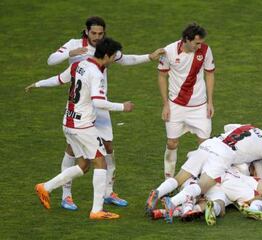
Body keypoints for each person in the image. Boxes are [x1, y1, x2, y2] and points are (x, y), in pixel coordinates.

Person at [29, 16, 164, 210]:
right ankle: (75, 199)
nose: (97, 36)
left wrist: (149, 57)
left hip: (82, 114)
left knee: (98, 154)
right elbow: (54, 64)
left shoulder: (94, 56)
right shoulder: (82, 54)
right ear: (86, 31)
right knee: (87, 157)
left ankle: (105, 192)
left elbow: (123, 59)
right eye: (94, 33)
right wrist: (123, 107)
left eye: (101, 33)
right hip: (85, 114)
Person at [33, 38, 133, 219]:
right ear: (107, 55)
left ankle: (45, 187)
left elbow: (59, 80)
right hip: (83, 126)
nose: (114, 61)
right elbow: (98, 102)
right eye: (113, 57)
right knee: (101, 162)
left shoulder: (79, 65)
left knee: (83, 165)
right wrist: (122, 107)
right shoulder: (96, 74)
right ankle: (97, 210)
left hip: (68, 122)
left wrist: (38, 83)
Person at [161, 124, 262, 222]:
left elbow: (228, 127)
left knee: (188, 182)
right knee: (222, 201)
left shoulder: (250, 127)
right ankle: (180, 205)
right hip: (226, 167)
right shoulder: (255, 159)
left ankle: (177, 204)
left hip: (209, 151)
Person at [158, 22, 215, 179]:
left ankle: (203, 181)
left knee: (205, 146)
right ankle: (168, 181)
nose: (199, 46)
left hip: (199, 106)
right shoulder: (167, 51)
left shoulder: (205, 50)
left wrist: (210, 102)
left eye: (201, 43)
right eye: (196, 43)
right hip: (176, 106)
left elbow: (210, 74)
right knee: (172, 143)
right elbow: (162, 77)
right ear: (186, 40)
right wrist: (165, 105)